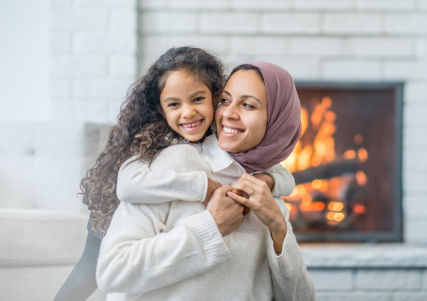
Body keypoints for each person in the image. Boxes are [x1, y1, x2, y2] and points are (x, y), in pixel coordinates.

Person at [54, 48, 292, 301]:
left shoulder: (218, 132)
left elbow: (284, 175)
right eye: (175, 104)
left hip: (144, 217)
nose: (188, 112)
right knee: (83, 278)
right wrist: (205, 187)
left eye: (197, 100)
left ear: (214, 98)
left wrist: (267, 180)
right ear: (161, 108)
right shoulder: (158, 140)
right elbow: (128, 185)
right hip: (107, 215)